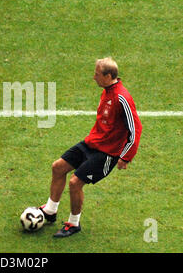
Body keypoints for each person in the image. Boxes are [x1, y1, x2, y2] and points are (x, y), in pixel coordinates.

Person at [39, 57, 143, 237]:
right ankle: (50, 210)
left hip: (107, 153)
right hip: (92, 143)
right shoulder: (107, 90)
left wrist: (125, 157)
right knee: (58, 167)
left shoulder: (121, 98)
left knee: (75, 183)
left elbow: (135, 129)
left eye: (97, 74)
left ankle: (73, 223)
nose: (93, 77)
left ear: (108, 76)